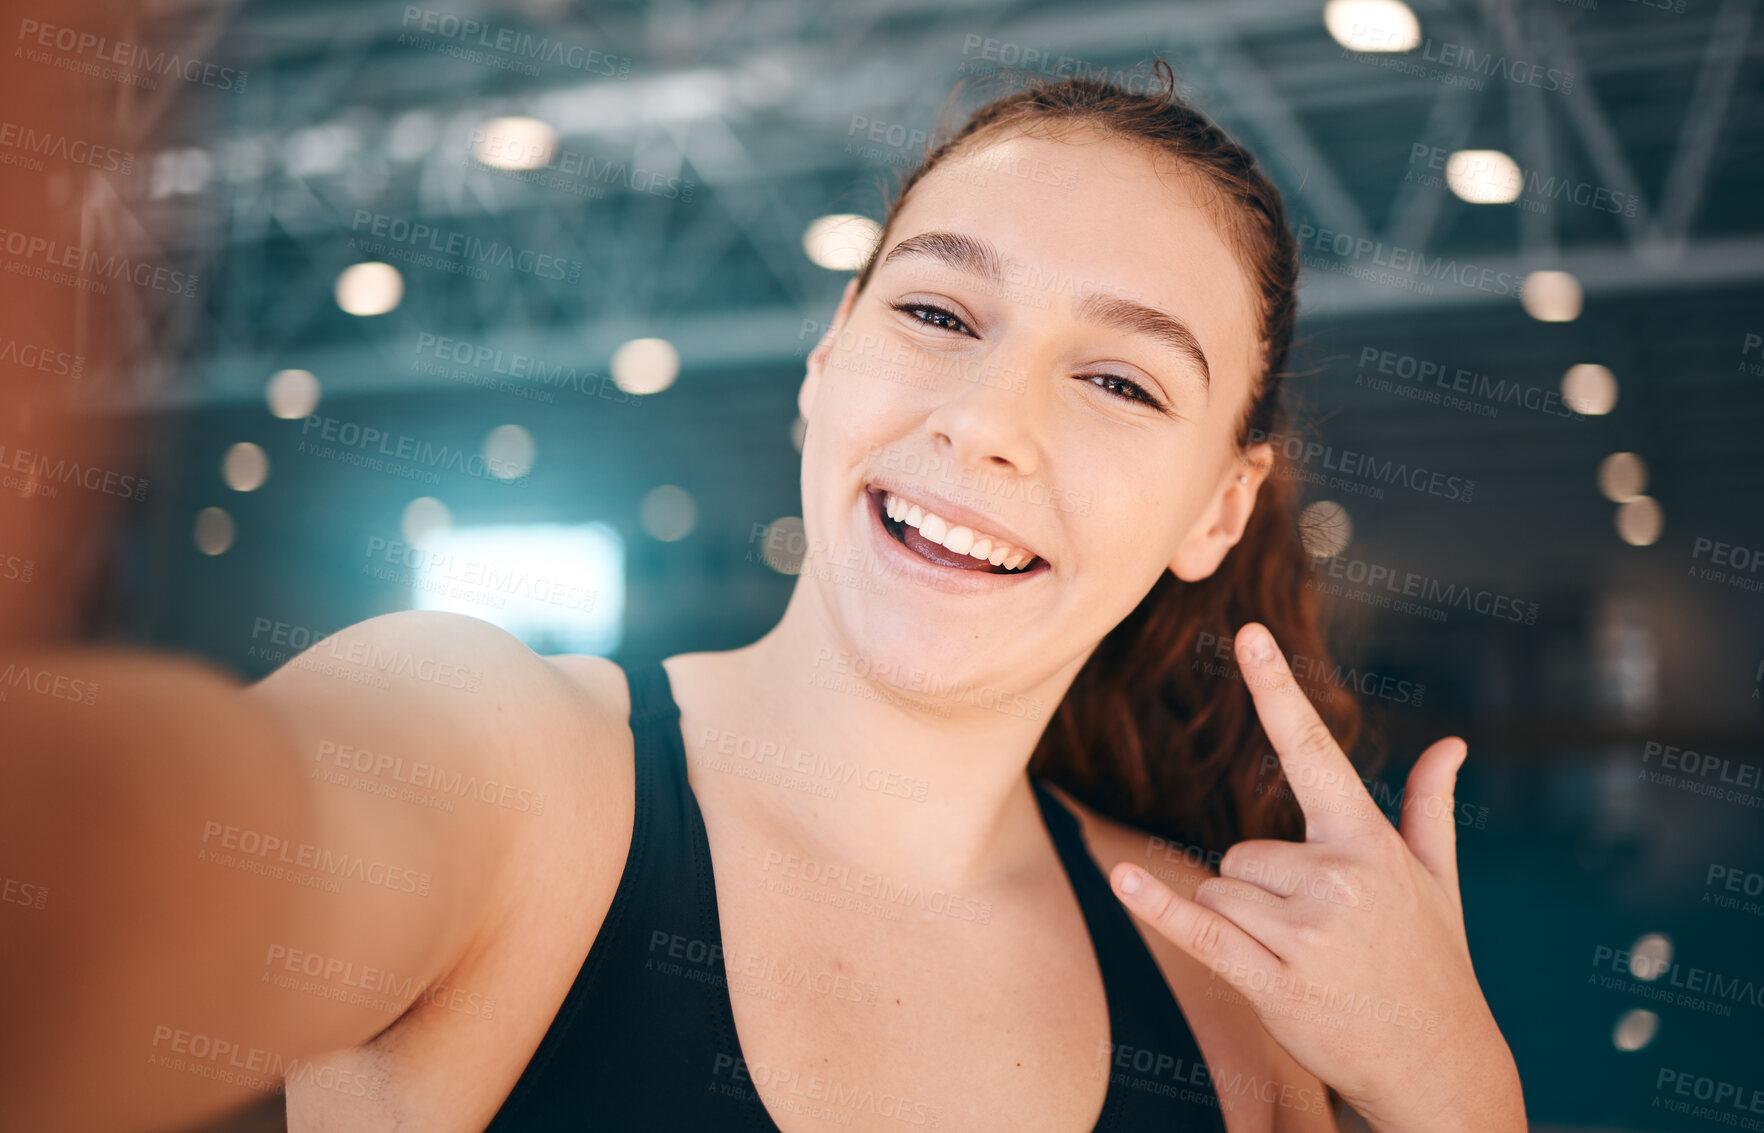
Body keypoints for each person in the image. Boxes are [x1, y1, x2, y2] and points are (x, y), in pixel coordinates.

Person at [0, 64, 1526, 1132]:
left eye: (1121, 379)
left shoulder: (1229, 993)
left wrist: (1461, 1098)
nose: (988, 420)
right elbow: (142, 881)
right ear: (825, 364)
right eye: (937, 310)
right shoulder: (505, 767)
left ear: (1218, 506)